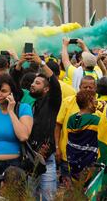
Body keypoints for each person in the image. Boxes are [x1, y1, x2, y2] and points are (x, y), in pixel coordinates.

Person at [0, 74, 33, 198]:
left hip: (13, 168)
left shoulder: (23, 108)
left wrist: (11, 111)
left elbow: (23, 136)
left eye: (3, 91)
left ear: (12, 92)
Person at [25, 53, 62, 200]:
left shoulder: (53, 102)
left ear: (47, 89)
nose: (32, 84)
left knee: (48, 198)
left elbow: (54, 82)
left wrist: (41, 62)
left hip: (47, 161)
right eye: (33, 82)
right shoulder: (33, 105)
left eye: (38, 83)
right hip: (30, 160)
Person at [55, 76, 98, 186]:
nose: (88, 89)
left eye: (91, 87)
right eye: (85, 87)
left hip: (91, 159)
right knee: (69, 189)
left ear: (95, 88)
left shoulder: (98, 104)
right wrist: (57, 148)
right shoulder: (68, 101)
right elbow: (58, 126)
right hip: (68, 156)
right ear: (79, 87)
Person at [66, 90, 100, 179]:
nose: (96, 104)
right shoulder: (95, 120)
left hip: (73, 160)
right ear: (89, 103)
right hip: (89, 162)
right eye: (95, 101)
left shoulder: (71, 119)